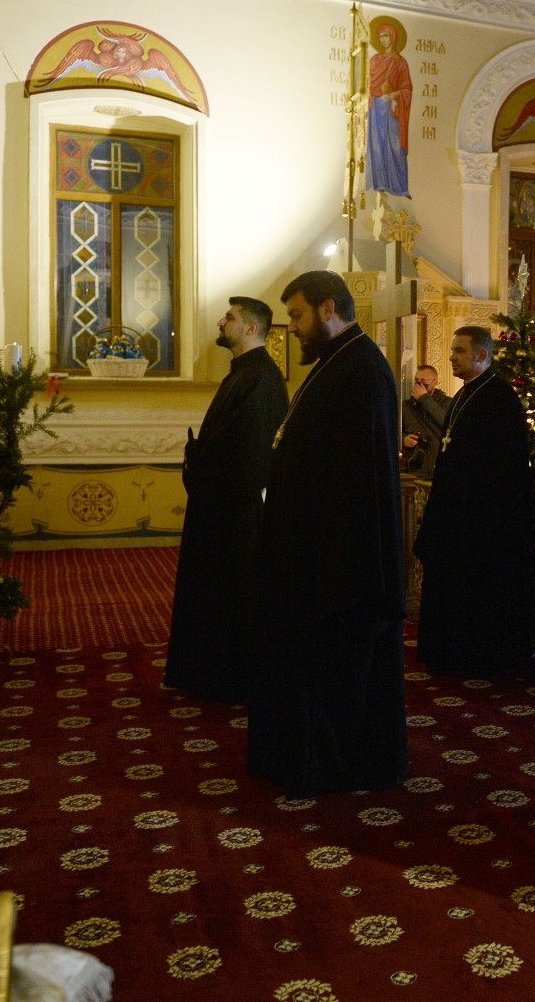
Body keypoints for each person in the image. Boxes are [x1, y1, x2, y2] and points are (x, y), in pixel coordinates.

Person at [249, 270, 408, 796]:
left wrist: (332, 570)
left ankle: (336, 766)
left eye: (296, 315)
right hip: (309, 554)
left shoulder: (362, 371)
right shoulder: (336, 364)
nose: (291, 327)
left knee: (336, 673)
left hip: (339, 565)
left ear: (328, 309)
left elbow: (358, 487)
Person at [164, 297, 288, 702]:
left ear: (251, 328)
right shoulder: (242, 373)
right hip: (219, 506)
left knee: (232, 598)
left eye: (230, 318)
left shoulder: (262, 378)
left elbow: (251, 456)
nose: (221, 321)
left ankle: (230, 679)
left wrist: (202, 464)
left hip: (234, 513)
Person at [413, 325, 535, 675]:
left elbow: (503, 468)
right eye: (452, 350)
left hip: (482, 518)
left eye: (460, 351)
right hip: (456, 511)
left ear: (481, 355)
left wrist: (475, 511)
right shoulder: (466, 393)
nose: (451, 357)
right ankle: (448, 651)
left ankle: (477, 656)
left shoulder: (500, 398)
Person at [364, 20, 412, 196]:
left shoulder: (400, 63)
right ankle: (380, 184)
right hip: (375, 107)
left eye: (386, 36)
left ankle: (400, 186)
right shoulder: (374, 61)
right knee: (377, 143)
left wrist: (393, 95)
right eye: (380, 37)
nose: (383, 40)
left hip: (393, 110)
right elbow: (367, 84)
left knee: (395, 145)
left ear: (393, 37)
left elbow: (407, 88)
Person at [402, 363, 450, 477]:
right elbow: (393, 431)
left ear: (435, 381)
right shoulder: (406, 406)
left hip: (439, 466)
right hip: (414, 468)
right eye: (417, 381)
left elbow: (447, 424)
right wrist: (404, 439)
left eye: (424, 381)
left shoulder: (448, 403)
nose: (419, 384)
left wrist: (424, 399)